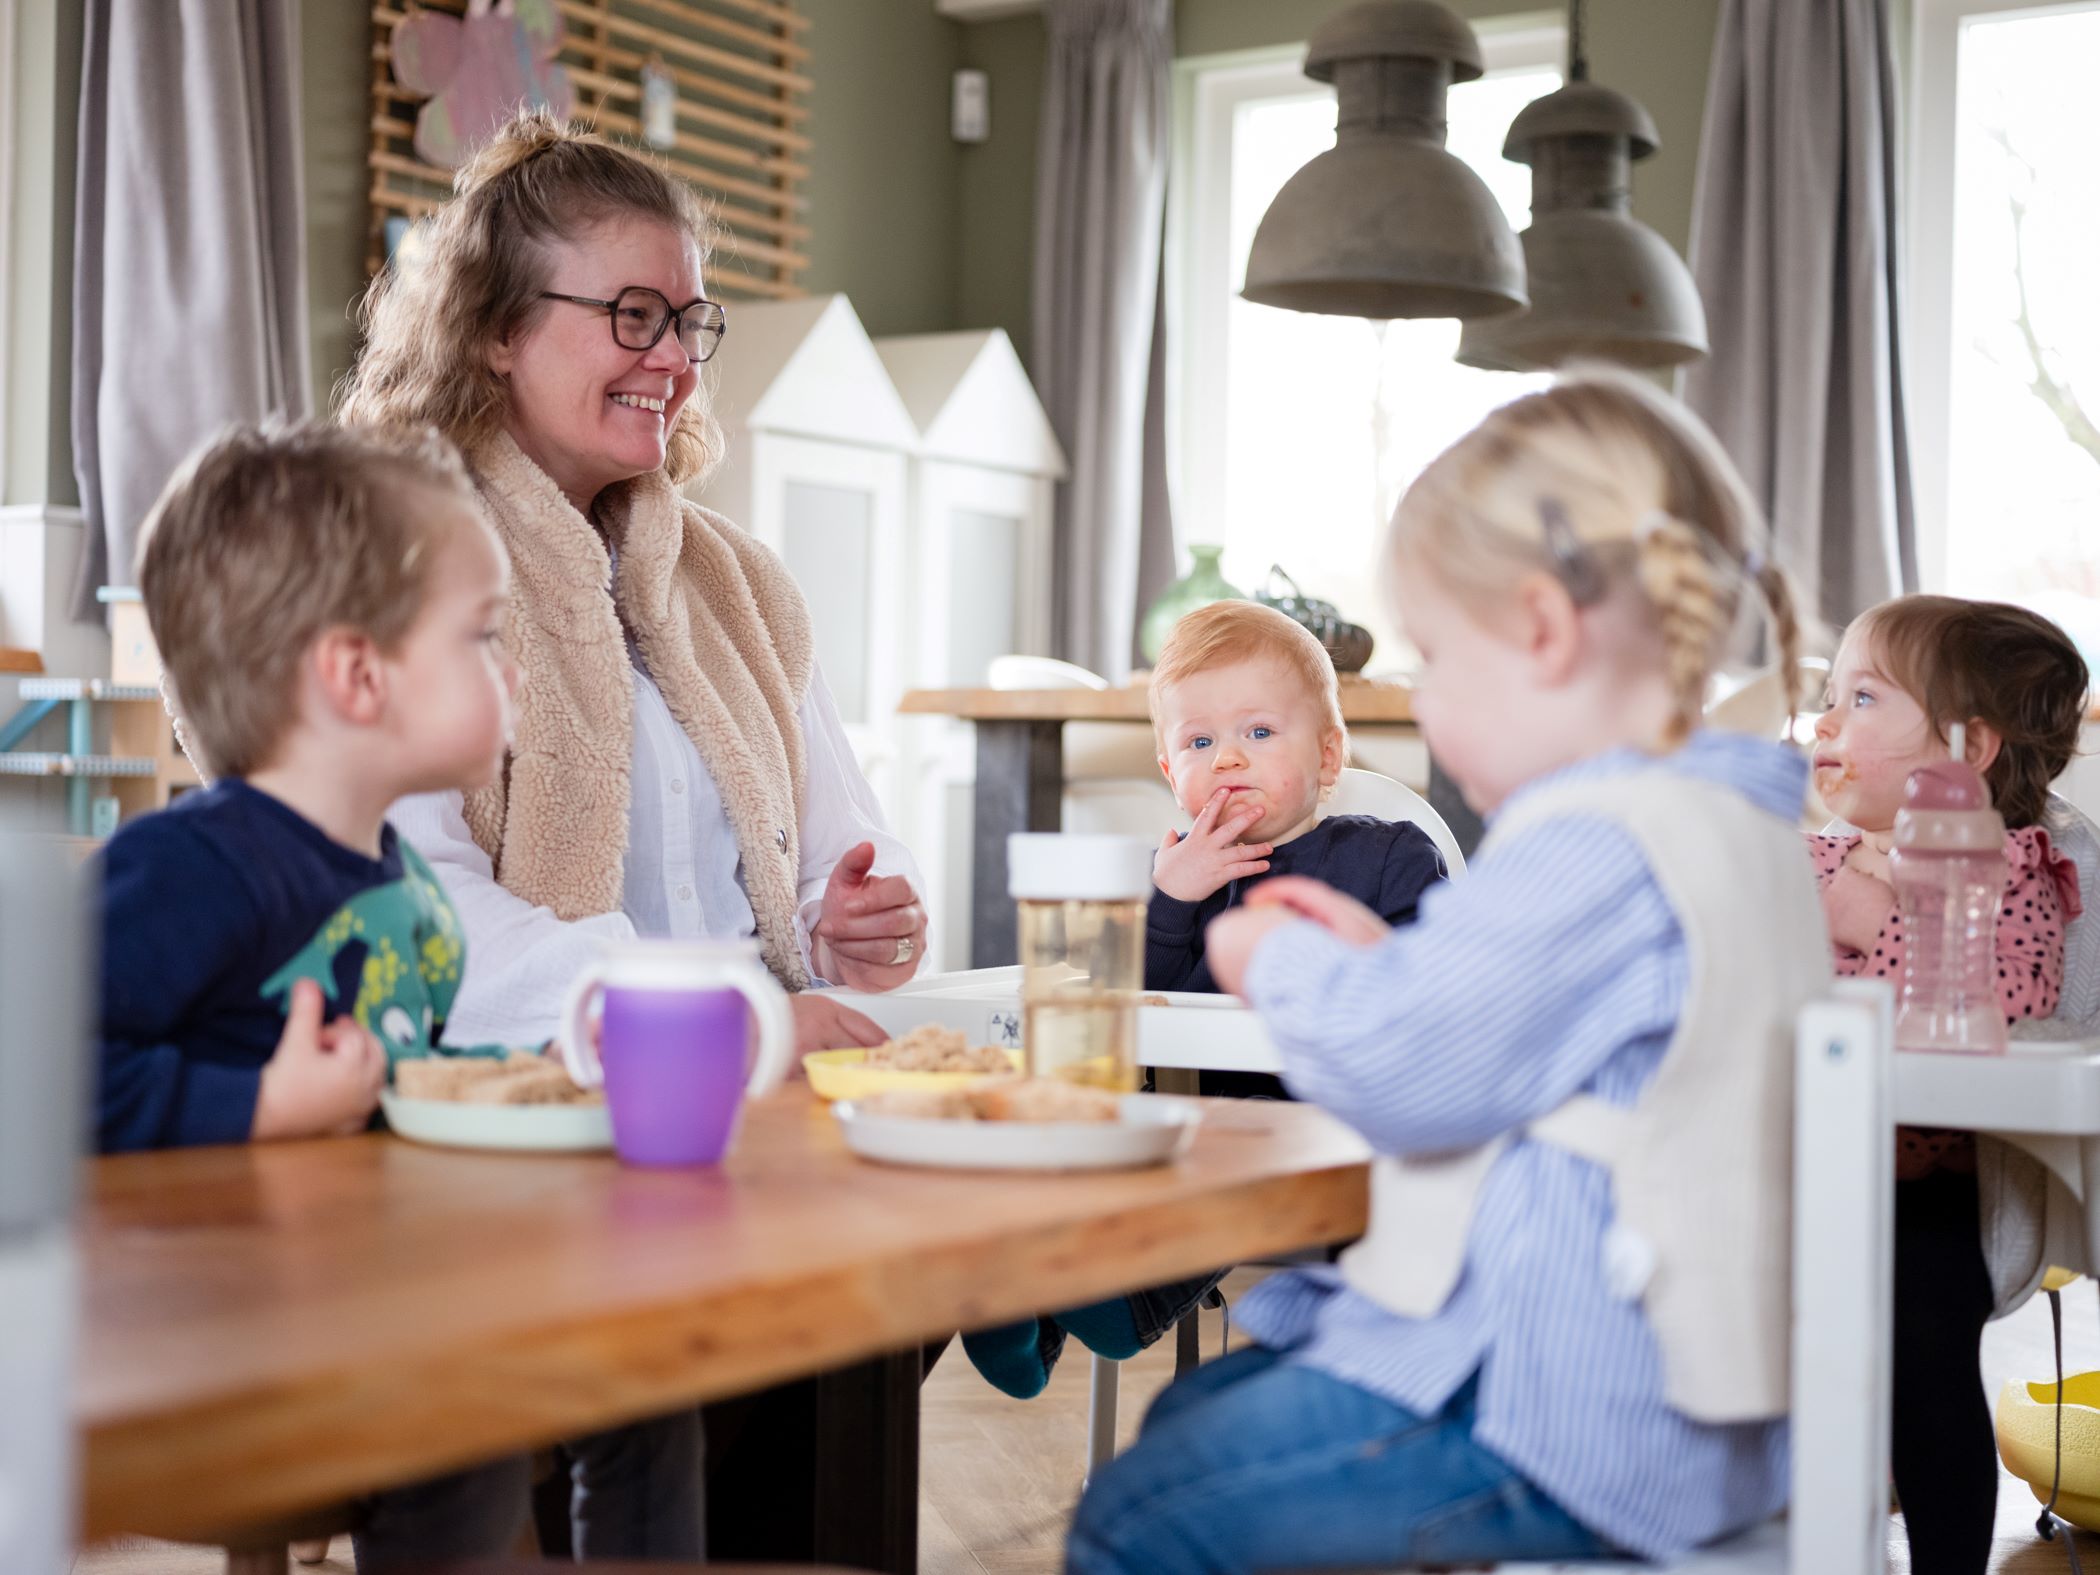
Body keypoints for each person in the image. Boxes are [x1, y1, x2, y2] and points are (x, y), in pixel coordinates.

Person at [1066, 372, 1822, 1573]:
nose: (1421, 698)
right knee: (1195, 1421)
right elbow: (1528, 1035)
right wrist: (1389, 967)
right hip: (1679, 1393)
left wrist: (1288, 965)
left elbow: (1408, 1076)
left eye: (1434, 658)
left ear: (1541, 629)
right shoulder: (1722, 823)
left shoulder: (1595, 838)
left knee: (1140, 1512)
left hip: (1564, 1409)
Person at [336, 108, 931, 1561]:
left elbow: (825, 870)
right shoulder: (391, 555)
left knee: (901, 1283)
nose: (674, 356)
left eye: (689, 319)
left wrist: (846, 924)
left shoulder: (735, 581)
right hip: (527, 1118)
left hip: (747, 1116)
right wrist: (746, 1018)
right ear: (488, 329)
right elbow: (431, 928)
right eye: (631, 313)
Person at [98, 422, 534, 1567]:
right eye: (483, 637)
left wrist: (513, 1091)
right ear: (356, 674)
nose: (515, 672)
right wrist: (253, 1108)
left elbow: (383, 1086)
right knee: (479, 1409)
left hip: (348, 1299)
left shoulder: (405, 885)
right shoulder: (192, 868)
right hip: (188, 1349)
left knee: (640, 1366)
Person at [961, 601, 1446, 1399]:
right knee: (1059, 1113)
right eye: (1198, 741)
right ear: (1168, 772)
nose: (1227, 759)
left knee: (1229, 1148)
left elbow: (1416, 995)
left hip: (1318, 1126)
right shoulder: (1173, 876)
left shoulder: (1388, 853)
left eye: (1258, 733)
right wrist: (1170, 898)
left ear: (1328, 756)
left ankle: (1077, 1301)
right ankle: (1021, 1284)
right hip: (1173, 1114)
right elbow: (1124, 1006)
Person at [1808, 594, 2088, 1575]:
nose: (1826, 722)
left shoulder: (2013, 869)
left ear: (1969, 748)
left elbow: (2003, 1001)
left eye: (1864, 697)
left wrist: (1873, 915)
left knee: (1923, 1375)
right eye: (1829, 696)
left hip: (1923, 1195)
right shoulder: (1817, 858)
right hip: (1792, 1176)